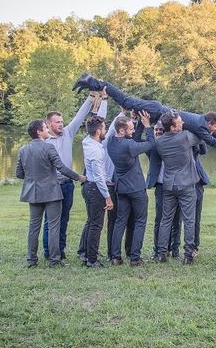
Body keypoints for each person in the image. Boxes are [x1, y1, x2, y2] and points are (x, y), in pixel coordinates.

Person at [72, 73, 216, 153]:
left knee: (136, 137)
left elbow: (215, 134)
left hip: (154, 114)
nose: (215, 129)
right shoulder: (199, 126)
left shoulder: (203, 123)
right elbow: (211, 140)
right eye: (215, 126)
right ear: (209, 123)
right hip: (154, 110)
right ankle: (92, 81)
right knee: (125, 101)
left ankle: (129, 152)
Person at [42, 92, 107, 261]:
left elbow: (80, 116)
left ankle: (60, 251)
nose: (61, 124)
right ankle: (49, 252)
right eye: (57, 122)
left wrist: (91, 98)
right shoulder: (44, 142)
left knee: (64, 219)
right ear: (48, 124)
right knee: (50, 222)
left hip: (67, 185)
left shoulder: (68, 133)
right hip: (52, 185)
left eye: (62, 121)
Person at [16, 120, 86, 268]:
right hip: (51, 192)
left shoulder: (23, 150)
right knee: (54, 226)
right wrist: (79, 177)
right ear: (39, 132)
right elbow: (61, 168)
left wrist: (33, 178)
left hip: (33, 193)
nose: (48, 129)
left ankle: (31, 260)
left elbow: (19, 173)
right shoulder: (49, 148)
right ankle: (55, 260)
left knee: (34, 227)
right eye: (45, 127)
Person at [154, 111, 203, 264]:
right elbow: (201, 135)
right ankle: (188, 255)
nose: (183, 123)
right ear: (173, 127)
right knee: (189, 220)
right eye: (180, 122)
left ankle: (162, 253)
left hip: (169, 185)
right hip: (187, 184)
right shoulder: (185, 137)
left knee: (165, 219)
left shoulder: (159, 141)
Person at [107, 112, 154, 266]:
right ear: (122, 130)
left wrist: (133, 119)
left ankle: (115, 256)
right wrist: (147, 126)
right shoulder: (129, 145)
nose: (133, 131)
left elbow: (130, 135)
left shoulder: (111, 142)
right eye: (131, 129)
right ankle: (135, 257)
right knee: (140, 221)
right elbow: (150, 144)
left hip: (121, 188)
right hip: (136, 188)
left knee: (120, 221)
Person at [76, 116, 114, 268]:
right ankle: (91, 259)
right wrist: (108, 197)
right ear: (98, 131)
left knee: (91, 221)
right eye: (104, 128)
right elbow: (99, 178)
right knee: (96, 225)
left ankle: (85, 252)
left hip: (89, 187)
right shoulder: (96, 151)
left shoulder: (88, 141)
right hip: (95, 188)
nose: (105, 131)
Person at [146, 121, 182, 260]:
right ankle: (159, 250)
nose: (158, 132)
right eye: (156, 130)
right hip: (161, 187)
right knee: (160, 219)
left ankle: (175, 250)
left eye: (161, 130)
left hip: (176, 185)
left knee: (177, 220)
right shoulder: (153, 147)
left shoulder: (174, 144)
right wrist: (147, 127)